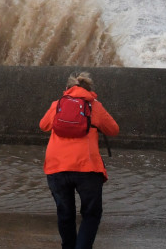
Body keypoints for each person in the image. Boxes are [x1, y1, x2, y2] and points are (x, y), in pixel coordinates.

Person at [39, 72, 119, 249]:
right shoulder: (94, 106)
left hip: (57, 167)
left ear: (67, 89)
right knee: (91, 214)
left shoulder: (57, 104)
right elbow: (113, 129)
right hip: (87, 169)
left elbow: (43, 125)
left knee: (65, 214)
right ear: (89, 90)